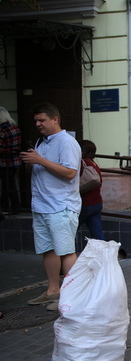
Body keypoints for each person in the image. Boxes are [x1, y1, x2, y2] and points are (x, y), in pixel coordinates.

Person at [19, 102, 82, 311]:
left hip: (61, 206)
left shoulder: (67, 142)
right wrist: (33, 162)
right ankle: (53, 291)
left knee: (66, 251)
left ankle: (72, 297)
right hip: (41, 205)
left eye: (42, 120)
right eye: (36, 121)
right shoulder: (42, 141)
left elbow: (70, 173)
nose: (38, 124)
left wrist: (40, 160)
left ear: (55, 119)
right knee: (48, 250)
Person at [78, 140, 105, 240]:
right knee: (97, 234)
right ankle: (103, 250)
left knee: (70, 231)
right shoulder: (94, 164)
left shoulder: (82, 163)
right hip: (96, 203)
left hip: (84, 203)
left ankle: (69, 250)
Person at [0, 106, 22, 217]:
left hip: (5, 161)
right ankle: (12, 207)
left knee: (7, 185)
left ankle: (8, 207)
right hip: (15, 161)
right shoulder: (14, 127)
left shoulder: (2, 129)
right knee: (10, 184)